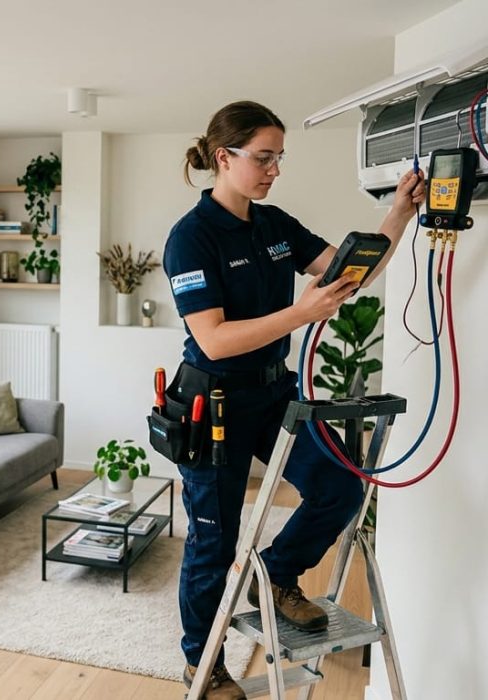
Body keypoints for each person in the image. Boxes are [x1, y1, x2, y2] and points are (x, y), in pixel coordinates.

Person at [163, 100, 425, 699]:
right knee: (214, 542)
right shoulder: (191, 238)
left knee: (339, 487)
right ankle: (202, 665)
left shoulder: (275, 224)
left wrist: (399, 214)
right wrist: (298, 314)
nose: (273, 169)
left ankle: (277, 577)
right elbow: (213, 337)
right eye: (262, 157)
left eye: (279, 158)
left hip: (275, 391)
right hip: (215, 405)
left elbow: (349, 270)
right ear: (222, 157)